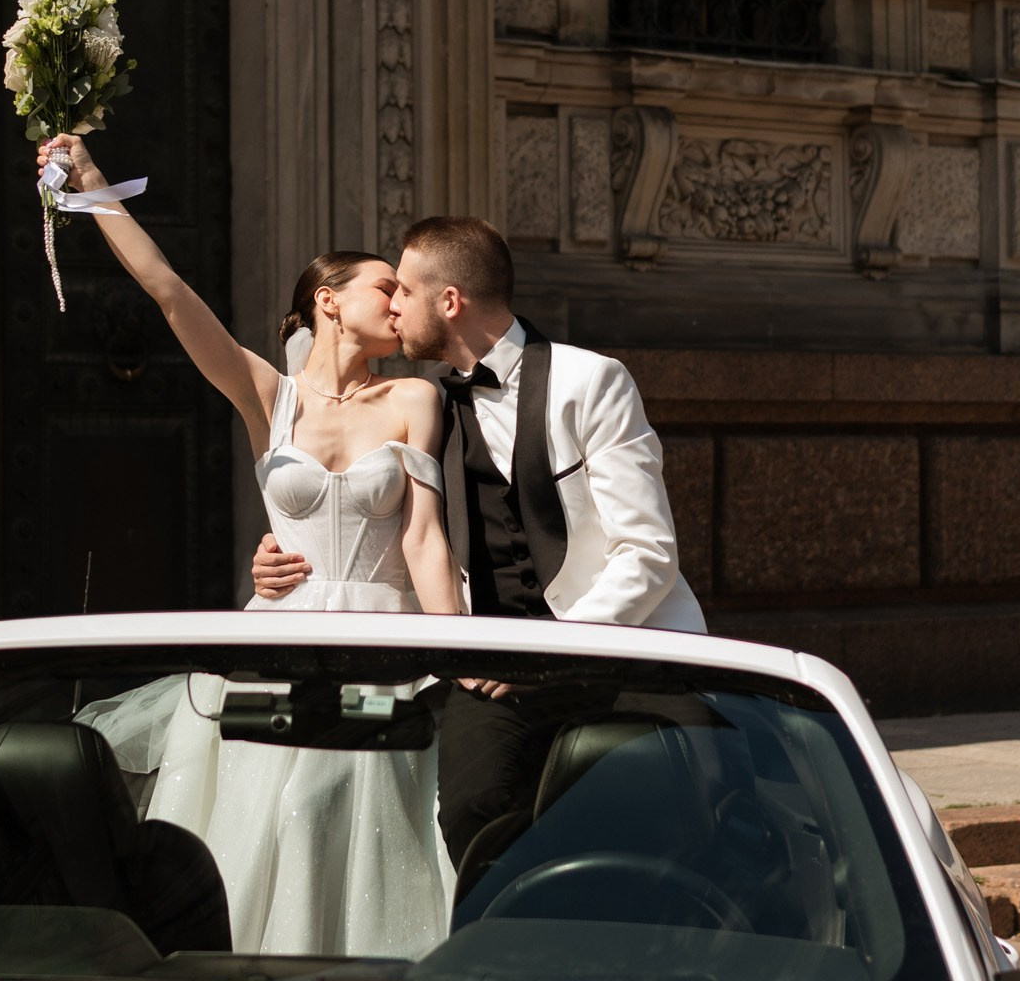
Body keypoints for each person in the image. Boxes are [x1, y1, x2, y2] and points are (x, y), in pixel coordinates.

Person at [34, 133, 461, 958]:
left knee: (333, 805)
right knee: (279, 817)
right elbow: (168, 293)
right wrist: (90, 185)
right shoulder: (270, 395)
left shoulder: (415, 396)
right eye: (386, 287)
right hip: (281, 638)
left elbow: (424, 537)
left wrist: (460, 647)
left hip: (383, 641)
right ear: (329, 300)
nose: (402, 302)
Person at [253, 214, 704, 889]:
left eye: (401, 291)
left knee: (704, 782)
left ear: (450, 301)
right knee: (472, 804)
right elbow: (381, 519)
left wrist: (552, 647)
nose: (391, 307)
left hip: (620, 643)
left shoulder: (592, 382)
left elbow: (647, 552)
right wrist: (278, 556)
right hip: (490, 662)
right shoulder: (420, 402)